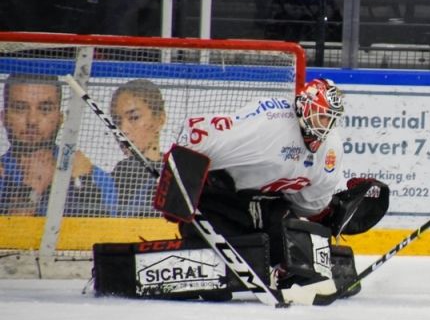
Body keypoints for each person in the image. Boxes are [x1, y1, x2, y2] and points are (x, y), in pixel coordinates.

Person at [143, 78, 389, 303]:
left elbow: (308, 206)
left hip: (267, 210)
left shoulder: (330, 150)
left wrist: (332, 212)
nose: (326, 126)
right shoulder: (269, 126)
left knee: (301, 265)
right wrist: (178, 188)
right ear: (304, 107)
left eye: (331, 119)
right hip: (221, 203)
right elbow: (194, 132)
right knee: (216, 285)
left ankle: (278, 270)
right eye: (322, 116)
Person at [0, 73, 116, 217]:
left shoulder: (92, 177)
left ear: (60, 119)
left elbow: (99, 237)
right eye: (20, 108)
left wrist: (83, 183)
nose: (32, 120)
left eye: (45, 109)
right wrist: (33, 186)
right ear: (4, 118)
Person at [108, 79, 166, 217]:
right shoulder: (121, 172)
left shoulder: (174, 173)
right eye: (116, 121)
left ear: (160, 120)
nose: (123, 130)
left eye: (134, 118)